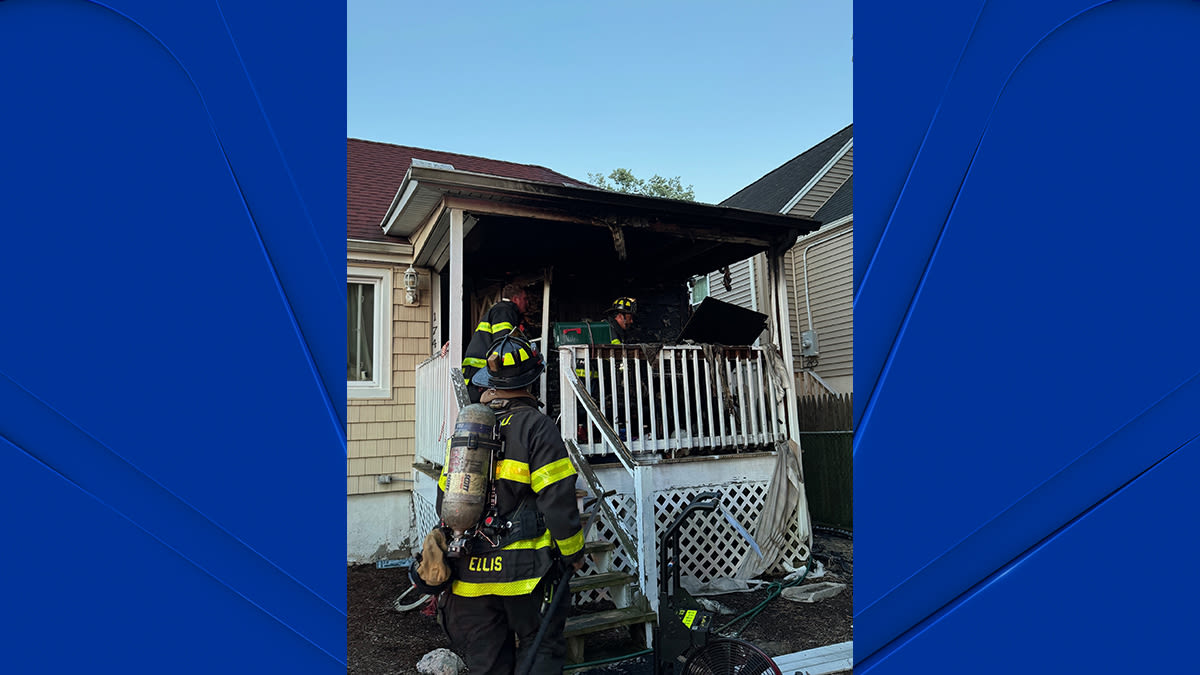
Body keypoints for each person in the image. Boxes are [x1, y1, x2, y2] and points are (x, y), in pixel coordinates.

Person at [416, 334, 585, 675]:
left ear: (491, 383)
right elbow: (557, 498)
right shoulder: (537, 427)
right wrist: (574, 553)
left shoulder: (466, 434)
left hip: (467, 579)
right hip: (525, 579)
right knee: (541, 653)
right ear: (531, 380)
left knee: (488, 665)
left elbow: (444, 501)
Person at [463, 283, 530, 402]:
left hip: (477, 374)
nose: (527, 303)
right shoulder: (504, 311)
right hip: (480, 376)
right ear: (515, 299)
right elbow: (504, 345)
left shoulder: (500, 310)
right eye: (524, 299)